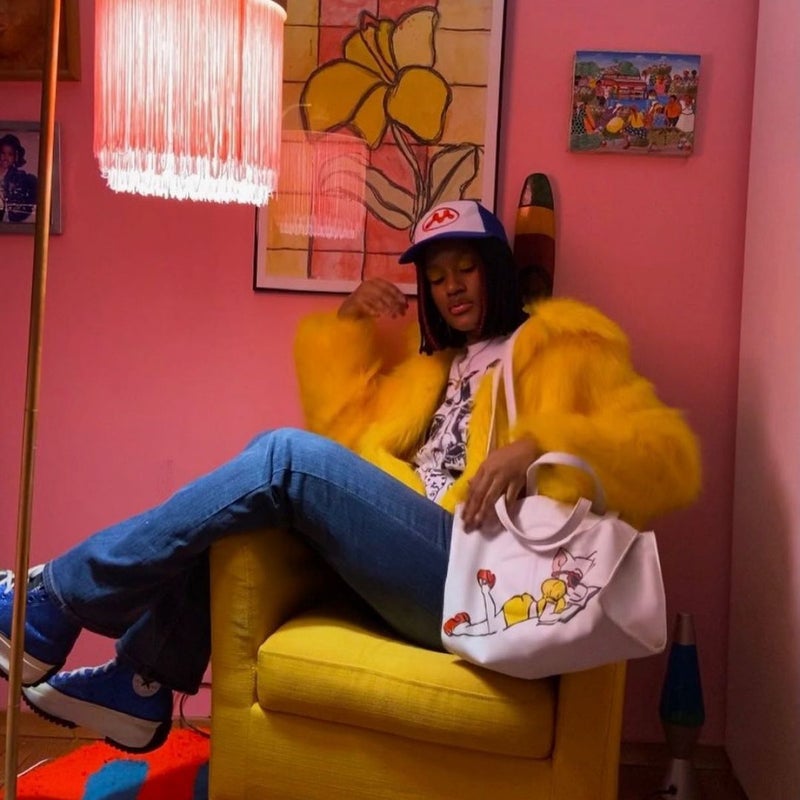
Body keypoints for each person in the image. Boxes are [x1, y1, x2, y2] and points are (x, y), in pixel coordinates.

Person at [0, 200, 702, 754]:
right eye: (436, 277)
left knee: (279, 455)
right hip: (410, 558)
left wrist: (539, 445)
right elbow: (340, 457)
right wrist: (347, 327)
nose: (451, 287)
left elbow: (666, 458)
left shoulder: (564, 348)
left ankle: (56, 598)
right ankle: (141, 682)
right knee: (254, 486)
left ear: (497, 268)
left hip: (475, 572)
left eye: (466, 267)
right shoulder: (432, 369)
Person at [0, 134, 38, 223]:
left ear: (16, 157)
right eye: (3, 153)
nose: (5, 157)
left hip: (7, 219)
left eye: (10, 154)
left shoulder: (20, 178)